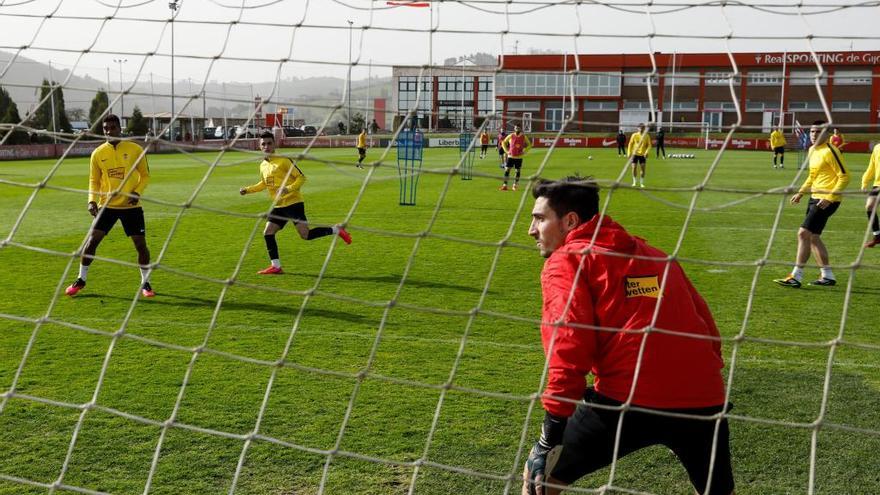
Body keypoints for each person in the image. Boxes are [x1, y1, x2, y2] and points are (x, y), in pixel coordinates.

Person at [523, 176, 734, 495]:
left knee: (539, 479)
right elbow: (706, 325)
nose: (531, 229)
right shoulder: (656, 255)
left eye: (539, 218)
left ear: (570, 221)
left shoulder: (567, 260)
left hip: (626, 400)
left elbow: (568, 343)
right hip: (704, 398)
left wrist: (549, 437)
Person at [65, 114, 155, 298]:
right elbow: (94, 180)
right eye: (106, 128)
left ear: (119, 129)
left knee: (141, 245)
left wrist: (137, 192)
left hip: (131, 206)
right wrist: (91, 200)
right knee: (91, 243)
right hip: (106, 206)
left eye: (113, 128)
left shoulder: (135, 149)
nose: (109, 131)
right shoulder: (98, 153)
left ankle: (145, 283)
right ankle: (81, 279)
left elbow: (145, 175)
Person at [240, 132, 352, 275]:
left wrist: (287, 189)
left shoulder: (284, 160)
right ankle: (276, 266)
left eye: (269, 143)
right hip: (279, 206)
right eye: (263, 144)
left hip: (293, 203)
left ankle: (336, 230)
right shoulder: (263, 165)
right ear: (259, 146)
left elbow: (301, 177)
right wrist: (247, 190)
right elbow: (264, 184)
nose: (266, 146)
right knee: (268, 232)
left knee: (305, 235)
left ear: (275, 144)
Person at [774, 121, 849, 288]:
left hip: (828, 200)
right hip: (815, 197)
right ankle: (827, 275)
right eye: (812, 131)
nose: (814, 134)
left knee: (803, 234)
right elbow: (812, 175)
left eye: (818, 131)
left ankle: (796, 276)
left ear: (827, 134)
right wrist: (801, 192)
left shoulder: (831, 151)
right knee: (813, 237)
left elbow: (844, 176)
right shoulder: (812, 150)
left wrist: (830, 196)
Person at [500, 124, 532, 191]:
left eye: (518, 128)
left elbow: (529, 145)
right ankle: (505, 185)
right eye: (516, 128)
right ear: (514, 129)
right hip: (511, 156)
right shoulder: (511, 135)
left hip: (519, 157)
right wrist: (507, 151)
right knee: (507, 170)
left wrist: (524, 151)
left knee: (517, 171)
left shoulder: (523, 136)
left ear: (520, 129)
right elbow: (503, 143)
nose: (517, 129)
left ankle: (515, 185)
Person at [862, 143, 880, 248]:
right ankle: (877, 236)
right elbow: (872, 166)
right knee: (869, 206)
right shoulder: (877, 147)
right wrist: (865, 181)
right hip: (877, 184)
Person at [627, 123, 651, 188]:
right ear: (637, 128)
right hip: (634, 154)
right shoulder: (634, 135)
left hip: (642, 155)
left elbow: (649, 145)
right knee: (634, 167)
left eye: (642, 128)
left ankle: (641, 183)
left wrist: (647, 152)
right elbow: (630, 144)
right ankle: (634, 182)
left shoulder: (646, 136)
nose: (641, 129)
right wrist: (629, 153)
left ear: (644, 129)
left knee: (643, 168)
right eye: (640, 128)